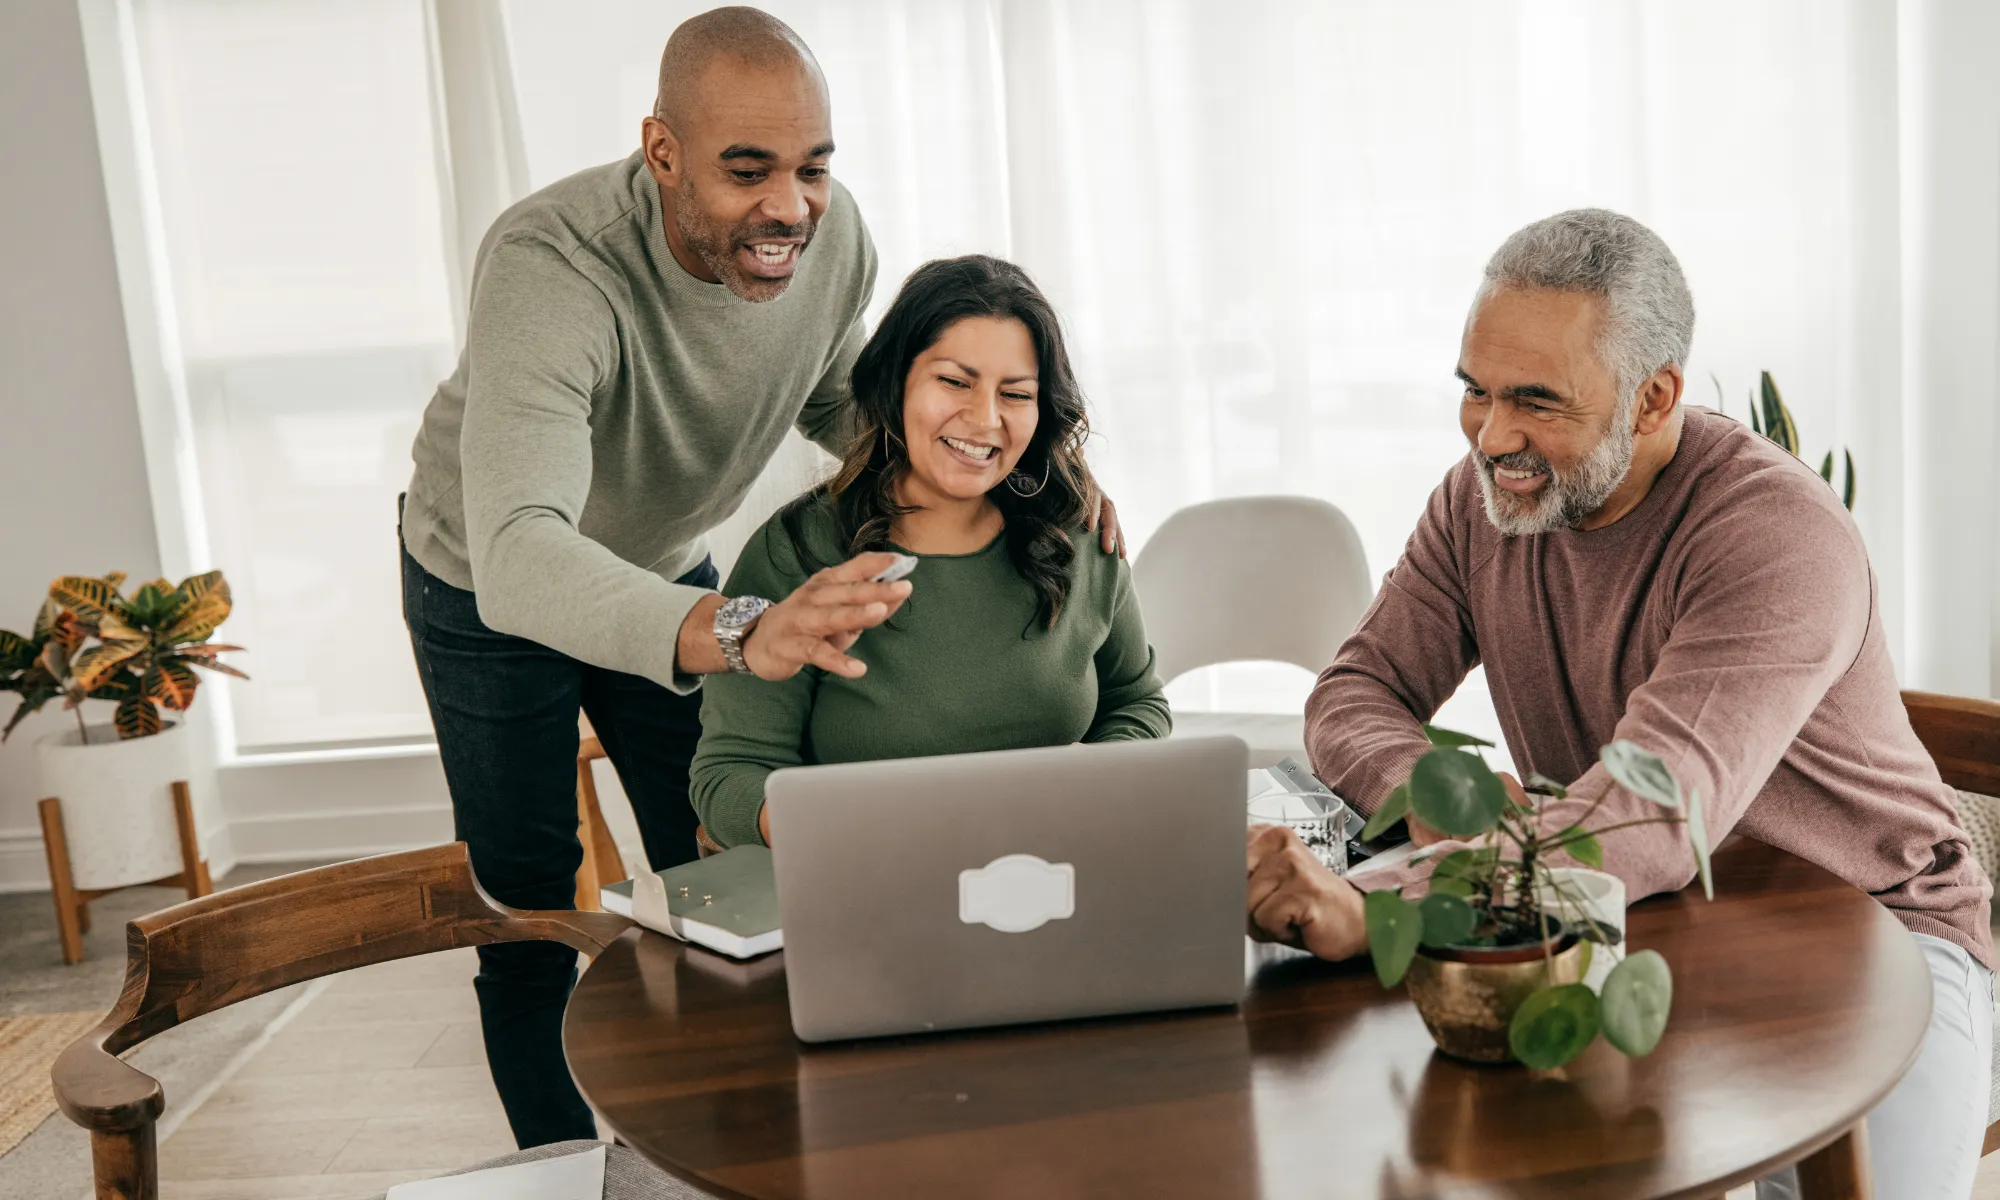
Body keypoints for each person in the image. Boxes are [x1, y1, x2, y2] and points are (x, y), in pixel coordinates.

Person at [399, 6, 1124, 1149]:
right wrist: (744, 626)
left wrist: (1036, 476)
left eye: (812, 167)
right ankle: (558, 1161)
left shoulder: (832, 246)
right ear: (662, 152)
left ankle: (734, 1143)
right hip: (485, 584)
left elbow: (846, 407)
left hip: (660, 554)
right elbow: (523, 557)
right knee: (532, 903)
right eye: (748, 171)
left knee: (724, 866)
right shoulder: (551, 267)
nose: (788, 206)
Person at [1244, 209, 1994, 1199]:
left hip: (1877, 948)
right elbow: (1353, 691)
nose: (1492, 434)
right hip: (1633, 926)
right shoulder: (1483, 500)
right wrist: (1420, 782)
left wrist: (1371, 902)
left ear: (1653, 398)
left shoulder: (1773, 535)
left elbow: (1648, 820)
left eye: (1534, 401)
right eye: (1473, 391)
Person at [691, 256, 1170, 845]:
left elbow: (1136, 703)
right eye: (954, 381)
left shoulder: (1080, 536)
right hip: (868, 889)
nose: (984, 419)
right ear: (896, 383)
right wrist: (860, 833)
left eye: (1015, 393)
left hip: (1059, 869)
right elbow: (729, 776)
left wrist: (1086, 788)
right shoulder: (797, 551)